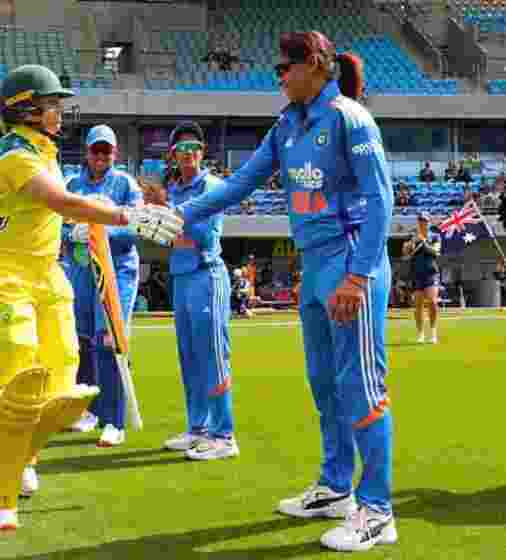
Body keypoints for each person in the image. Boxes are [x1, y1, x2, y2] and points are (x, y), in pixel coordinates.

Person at [167, 32, 397, 552]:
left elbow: (381, 200)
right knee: (324, 384)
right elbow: (240, 183)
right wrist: (178, 214)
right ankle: (336, 487)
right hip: (314, 266)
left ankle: (378, 510)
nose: (279, 77)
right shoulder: (287, 124)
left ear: (314, 64)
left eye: (284, 67)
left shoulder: (350, 118)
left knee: (361, 385)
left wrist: (358, 276)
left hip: (350, 262)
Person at [0, 64, 178, 531]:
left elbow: (53, 214)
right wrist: (124, 215)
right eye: (52, 104)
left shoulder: (45, 151)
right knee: (23, 380)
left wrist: (84, 226)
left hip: (49, 274)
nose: (60, 112)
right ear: (26, 109)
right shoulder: (14, 151)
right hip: (6, 275)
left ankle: (18, 450)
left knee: (63, 382)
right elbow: (58, 201)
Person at [160, 121, 238, 461]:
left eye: (194, 148)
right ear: (173, 154)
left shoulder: (212, 186)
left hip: (207, 275)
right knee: (189, 356)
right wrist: (169, 224)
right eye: (182, 149)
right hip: (182, 276)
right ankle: (198, 428)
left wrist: (170, 222)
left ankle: (224, 435)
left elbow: (204, 235)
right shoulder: (175, 190)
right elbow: (166, 236)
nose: (188, 154)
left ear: (203, 152)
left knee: (213, 355)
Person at [62, 124, 143, 448]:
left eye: (106, 151)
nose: (100, 156)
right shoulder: (72, 184)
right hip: (81, 271)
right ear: (87, 152)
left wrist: (101, 233)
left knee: (108, 340)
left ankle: (114, 421)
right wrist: (72, 234)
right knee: (81, 340)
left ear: (115, 153)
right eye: (95, 150)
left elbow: (136, 225)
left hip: (116, 270)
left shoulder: (125, 184)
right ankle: (90, 410)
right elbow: (58, 225)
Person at [404, 213, 441, 344]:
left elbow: (435, 252)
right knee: (418, 304)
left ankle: (433, 332)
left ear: (429, 222)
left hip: (431, 273)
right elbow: (405, 252)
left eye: (424, 220)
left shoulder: (435, 237)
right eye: (420, 220)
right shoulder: (413, 235)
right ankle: (420, 333)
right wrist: (412, 242)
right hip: (416, 274)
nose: (422, 223)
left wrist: (423, 242)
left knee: (432, 302)